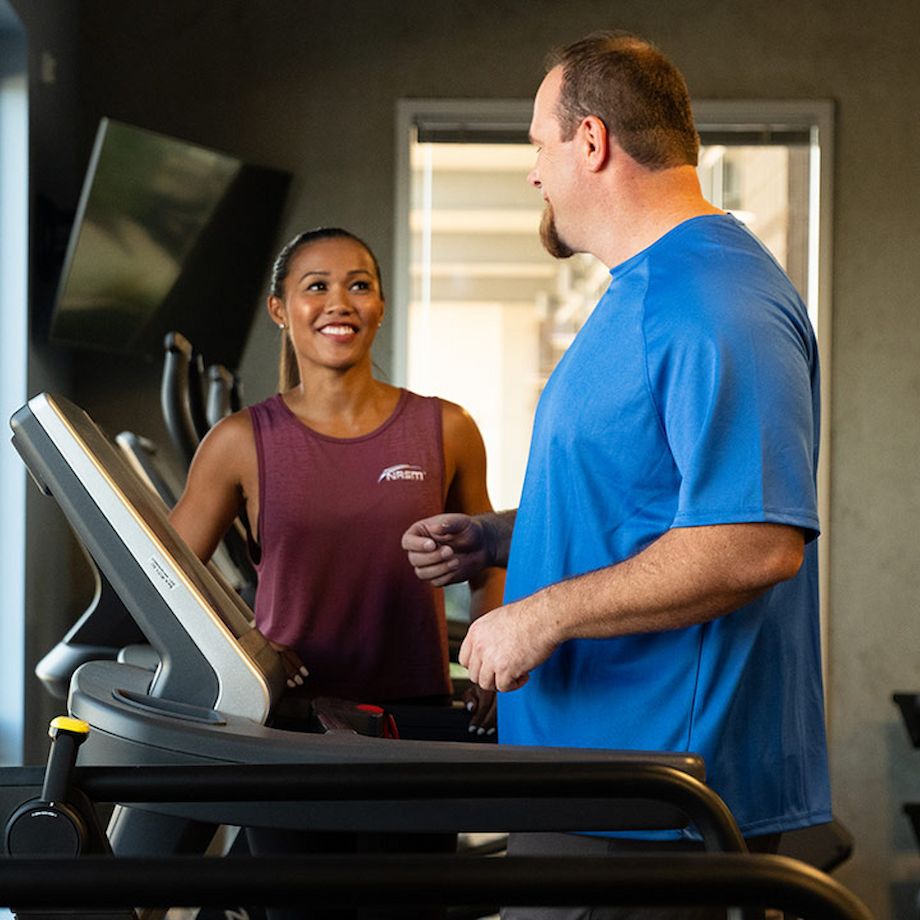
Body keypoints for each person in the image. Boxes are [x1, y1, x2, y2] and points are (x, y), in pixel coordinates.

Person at [402, 29, 830, 919]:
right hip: (589, 774)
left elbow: (754, 543)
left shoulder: (716, 301)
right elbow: (645, 502)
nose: (534, 174)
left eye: (537, 145)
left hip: (656, 798)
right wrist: (492, 539)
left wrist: (540, 615)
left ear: (590, 141)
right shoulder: (641, 291)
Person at [169, 227, 504, 920]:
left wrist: (492, 652)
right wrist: (247, 647)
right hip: (290, 731)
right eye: (314, 286)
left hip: (412, 725)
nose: (338, 302)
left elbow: (488, 557)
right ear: (280, 309)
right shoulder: (239, 442)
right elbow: (166, 578)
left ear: (380, 306)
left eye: (358, 284)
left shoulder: (447, 429)